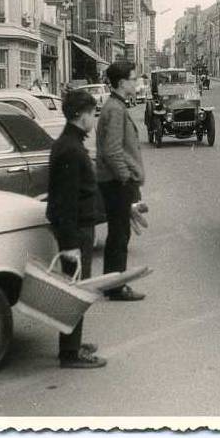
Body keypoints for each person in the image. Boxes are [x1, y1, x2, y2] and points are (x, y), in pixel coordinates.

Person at [46, 89, 107, 368]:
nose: (94, 118)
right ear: (80, 115)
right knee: (76, 291)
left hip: (80, 228)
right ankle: (70, 353)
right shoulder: (70, 148)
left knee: (76, 288)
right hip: (76, 231)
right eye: (92, 113)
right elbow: (66, 199)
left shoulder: (71, 143)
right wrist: (70, 244)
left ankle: (72, 343)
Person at [96, 61, 147, 301]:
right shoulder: (115, 109)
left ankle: (111, 283)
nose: (136, 83)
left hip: (113, 180)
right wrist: (127, 179)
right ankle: (116, 287)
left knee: (118, 233)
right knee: (119, 235)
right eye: (133, 79)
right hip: (116, 182)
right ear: (121, 83)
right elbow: (113, 151)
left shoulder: (115, 106)